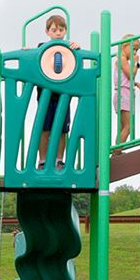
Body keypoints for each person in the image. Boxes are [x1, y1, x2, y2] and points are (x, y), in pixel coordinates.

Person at [35, 13, 80, 168]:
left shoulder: (69, 48)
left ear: (65, 31)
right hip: (45, 96)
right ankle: (43, 160)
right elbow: (32, 57)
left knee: (62, 130)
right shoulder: (41, 48)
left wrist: (77, 48)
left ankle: (59, 160)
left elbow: (76, 61)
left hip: (63, 96)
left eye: (61, 29)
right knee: (44, 128)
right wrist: (26, 50)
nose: (58, 32)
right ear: (47, 32)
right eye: (54, 30)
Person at [117, 36, 140, 144]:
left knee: (123, 126)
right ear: (124, 46)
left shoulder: (123, 60)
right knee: (128, 127)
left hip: (124, 92)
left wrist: (135, 84)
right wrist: (136, 63)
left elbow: (123, 78)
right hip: (123, 94)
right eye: (133, 48)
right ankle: (116, 152)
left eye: (137, 49)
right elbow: (130, 75)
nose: (135, 52)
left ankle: (117, 151)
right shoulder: (122, 59)